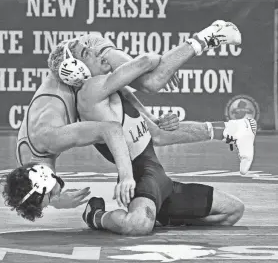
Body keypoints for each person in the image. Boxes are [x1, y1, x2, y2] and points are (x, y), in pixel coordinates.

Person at [45, 20, 253, 235]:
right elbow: (146, 62)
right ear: (76, 69)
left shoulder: (117, 92)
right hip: (139, 179)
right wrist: (162, 63)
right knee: (137, 225)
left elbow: (157, 133)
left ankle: (161, 218)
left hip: (160, 180)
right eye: (86, 52)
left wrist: (163, 122)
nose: (98, 52)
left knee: (233, 211)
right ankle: (96, 216)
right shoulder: (91, 91)